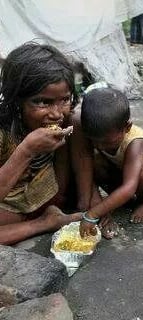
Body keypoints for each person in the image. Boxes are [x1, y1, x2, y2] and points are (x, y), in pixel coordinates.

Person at [0, 42, 82, 245]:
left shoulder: (68, 121)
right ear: (17, 100)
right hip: (10, 202)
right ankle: (44, 223)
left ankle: (44, 216)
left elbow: (72, 164)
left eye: (65, 99)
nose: (56, 114)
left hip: (47, 195)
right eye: (42, 102)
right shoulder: (3, 132)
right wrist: (26, 150)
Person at [70, 85, 143, 239]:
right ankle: (114, 201)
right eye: (95, 141)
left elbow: (129, 187)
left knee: (141, 171)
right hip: (120, 170)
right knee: (93, 160)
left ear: (127, 127)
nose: (100, 146)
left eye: (107, 143)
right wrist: (102, 207)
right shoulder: (100, 134)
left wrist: (92, 214)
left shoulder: (135, 143)